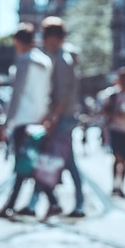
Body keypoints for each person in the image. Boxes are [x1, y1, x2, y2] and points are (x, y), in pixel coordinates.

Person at [0, 23, 60, 219]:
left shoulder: (24, 61)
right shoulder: (46, 61)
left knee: (24, 164)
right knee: (29, 164)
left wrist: (7, 121)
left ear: (17, 41)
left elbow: (18, 93)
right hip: (39, 120)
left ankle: (13, 204)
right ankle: (16, 204)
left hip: (23, 120)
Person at [36, 16, 86, 217]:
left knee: (65, 162)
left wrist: (53, 118)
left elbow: (63, 94)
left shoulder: (63, 59)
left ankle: (75, 203)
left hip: (63, 118)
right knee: (64, 161)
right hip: (61, 116)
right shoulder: (58, 56)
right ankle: (57, 201)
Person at [101, 68, 125, 198]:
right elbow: (104, 111)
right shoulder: (112, 95)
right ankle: (114, 185)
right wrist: (115, 113)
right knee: (117, 158)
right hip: (115, 129)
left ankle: (121, 185)